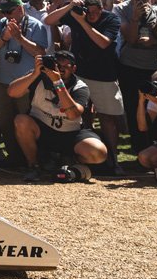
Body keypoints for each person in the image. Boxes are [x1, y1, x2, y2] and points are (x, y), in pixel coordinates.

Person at [44, 0, 125, 172]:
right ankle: (86, 156)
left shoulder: (111, 19)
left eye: (96, 12)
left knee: (107, 118)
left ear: (102, 9)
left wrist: (82, 21)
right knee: (82, 116)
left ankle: (113, 159)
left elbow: (103, 42)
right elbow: (49, 20)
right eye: (89, 12)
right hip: (80, 74)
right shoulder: (77, 14)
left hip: (104, 75)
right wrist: (69, 6)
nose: (92, 15)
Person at [9, 50, 109, 181]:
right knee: (21, 121)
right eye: (57, 65)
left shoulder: (80, 87)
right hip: (42, 129)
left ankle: (71, 162)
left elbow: (73, 114)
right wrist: (34, 74)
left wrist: (58, 83)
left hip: (71, 133)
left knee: (98, 153)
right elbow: (12, 92)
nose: (60, 69)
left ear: (74, 69)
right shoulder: (38, 77)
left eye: (65, 66)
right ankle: (34, 166)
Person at [0, 0, 52, 167]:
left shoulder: (36, 25)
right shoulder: (2, 23)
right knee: (6, 121)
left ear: (20, 9)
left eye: (9, 11)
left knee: (25, 119)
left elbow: (40, 52)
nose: (6, 15)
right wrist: (4, 37)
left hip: (27, 82)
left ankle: (31, 158)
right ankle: (13, 157)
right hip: (3, 81)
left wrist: (19, 38)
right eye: (3, 12)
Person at [113, 0, 157, 151]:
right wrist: (135, 17)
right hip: (129, 66)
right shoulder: (120, 9)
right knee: (134, 107)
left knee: (156, 107)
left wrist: (154, 41)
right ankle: (139, 146)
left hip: (153, 66)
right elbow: (131, 38)